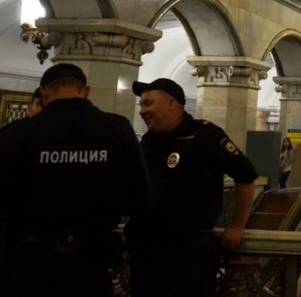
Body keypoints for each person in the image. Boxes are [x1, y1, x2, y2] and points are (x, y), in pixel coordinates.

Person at [0, 63, 150, 297]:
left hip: (30, 261)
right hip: (92, 259)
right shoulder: (117, 130)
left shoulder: (17, 134)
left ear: (44, 92)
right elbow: (140, 196)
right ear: (86, 91)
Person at [127, 77, 258, 297]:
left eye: (148, 103)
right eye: (141, 105)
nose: (143, 110)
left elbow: (246, 175)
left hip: (188, 250)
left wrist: (237, 225)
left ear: (172, 104)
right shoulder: (148, 141)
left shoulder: (204, 135)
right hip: (146, 246)